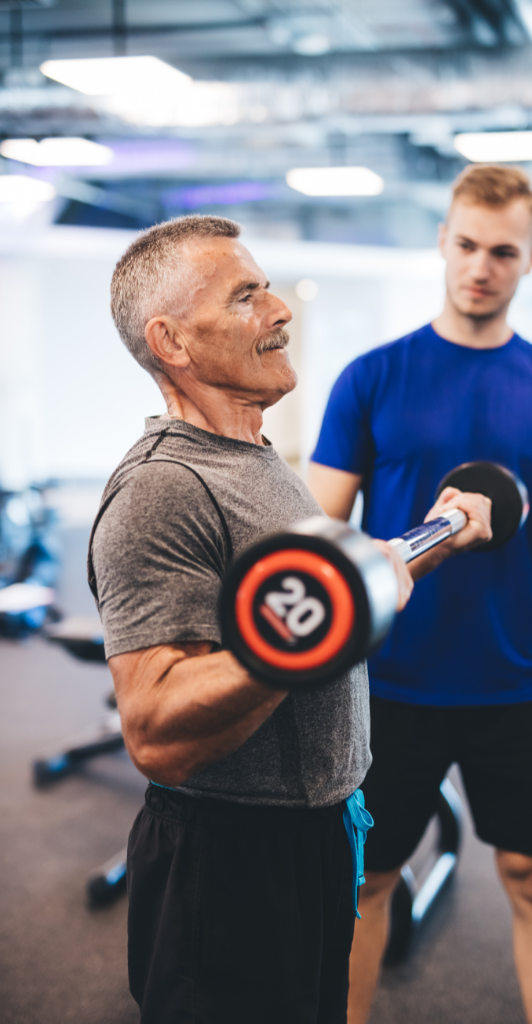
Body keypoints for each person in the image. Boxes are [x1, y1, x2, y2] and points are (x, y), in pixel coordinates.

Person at [91, 215, 492, 1024]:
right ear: (171, 341)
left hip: (313, 835)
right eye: (246, 296)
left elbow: (316, 595)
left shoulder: (254, 458)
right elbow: (156, 730)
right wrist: (323, 622)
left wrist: (433, 539)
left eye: (268, 288)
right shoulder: (163, 489)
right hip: (228, 861)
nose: (280, 310)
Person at [307, 164, 532, 1024]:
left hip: (517, 678)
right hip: (390, 681)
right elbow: (316, 536)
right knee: (367, 880)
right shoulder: (372, 377)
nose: (480, 266)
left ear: (531, 258)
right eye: (466, 244)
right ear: (443, 241)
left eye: (503, 251)